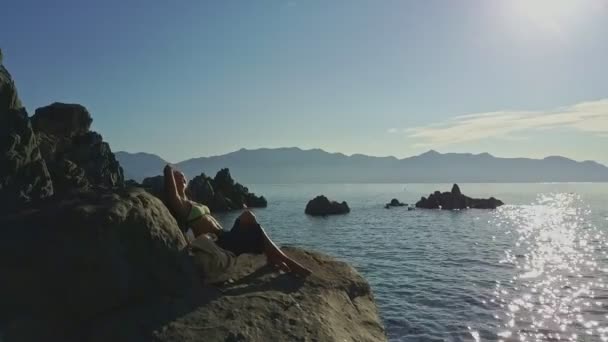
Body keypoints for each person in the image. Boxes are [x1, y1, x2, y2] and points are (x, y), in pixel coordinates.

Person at [163, 164, 311, 280]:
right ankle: (286, 261)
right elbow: (171, 194)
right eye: (177, 177)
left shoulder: (192, 202)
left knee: (250, 219)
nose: (181, 179)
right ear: (172, 182)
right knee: (251, 222)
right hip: (218, 242)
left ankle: (274, 257)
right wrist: (169, 168)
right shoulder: (181, 204)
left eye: (183, 177)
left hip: (224, 235)